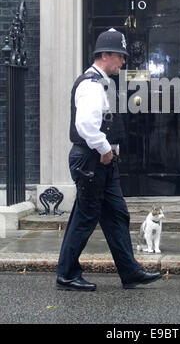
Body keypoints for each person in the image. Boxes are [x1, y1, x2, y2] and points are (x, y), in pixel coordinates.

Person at [56, 28, 162, 291]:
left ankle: (130, 272)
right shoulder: (90, 85)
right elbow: (86, 126)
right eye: (120, 56)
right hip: (92, 161)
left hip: (102, 162)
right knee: (85, 217)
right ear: (105, 55)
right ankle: (67, 274)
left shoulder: (103, 83)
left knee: (117, 215)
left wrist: (112, 148)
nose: (124, 62)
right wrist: (105, 149)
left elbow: (105, 123)